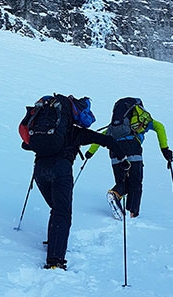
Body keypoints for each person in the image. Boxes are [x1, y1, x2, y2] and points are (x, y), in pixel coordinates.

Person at [20, 95, 128, 270]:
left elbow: (25, 145)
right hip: (61, 169)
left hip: (39, 170)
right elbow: (107, 140)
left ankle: (55, 240)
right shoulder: (76, 133)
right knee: (62, 212)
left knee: (56, 208)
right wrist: (123, 159)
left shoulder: (44, 132)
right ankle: (55, 260)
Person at [85, 97, 173, 219]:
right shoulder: (141, 120)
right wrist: (165, 150)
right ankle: (133, 214)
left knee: (122, 182)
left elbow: (102, 136)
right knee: (135, 182)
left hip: (115, 150)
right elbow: (160, 127)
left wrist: (90, 152)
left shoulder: (113, 127)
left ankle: (115, 194)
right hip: (132, 147)